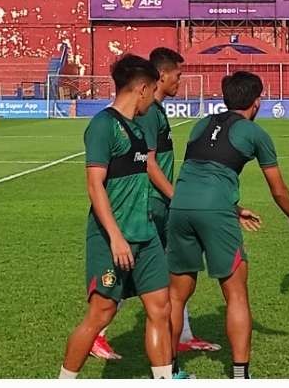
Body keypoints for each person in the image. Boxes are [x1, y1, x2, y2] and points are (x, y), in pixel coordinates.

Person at [166, 71, 289, 379]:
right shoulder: (255, 134)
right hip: (215, 213)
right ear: (257, 103)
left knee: (176, 296)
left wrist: (235, 207)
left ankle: (168, 372)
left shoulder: (201, 124)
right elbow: (277, 188)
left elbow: (202, 171)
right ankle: (240, 375)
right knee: (236, 295)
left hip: (180, 206)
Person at [89, 48, 221, 361]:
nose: (180, 80)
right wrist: (177, 198)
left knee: (169, 272)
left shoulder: (157, 111)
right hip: (146, 206)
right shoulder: (146, 115)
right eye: (177, 75)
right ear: (159, 77)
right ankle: (97, 333)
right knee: (134, 272)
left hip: (157, 206)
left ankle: (182, 334)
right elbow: (146, 163)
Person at [59, 55, 176, 379]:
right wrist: (115, 236)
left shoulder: (138, 129)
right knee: (101, 313)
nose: (154, 98)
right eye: (153, 90)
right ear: (141, 88)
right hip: (112, 238)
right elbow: (94, 185)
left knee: (160, 308)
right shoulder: (103, 126)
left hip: (146, 235)